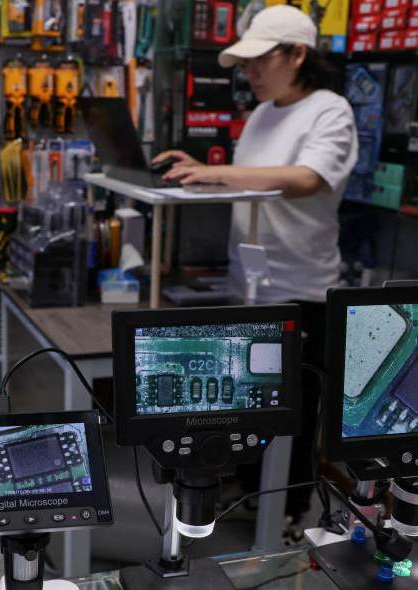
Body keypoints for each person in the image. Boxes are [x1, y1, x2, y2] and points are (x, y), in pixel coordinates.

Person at [154, 4, 359, 527]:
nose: (249, 73)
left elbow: (308, 178)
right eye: (245, 64)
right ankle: (247, 493)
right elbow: (248, 179)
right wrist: (204, 174)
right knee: (247, 402)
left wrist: (215, 171)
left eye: (258, 61)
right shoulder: (263, 113)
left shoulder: (330, 110)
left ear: (296, 55)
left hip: (301, 288)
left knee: (293, 407)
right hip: (251, 285)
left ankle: (290, 513)